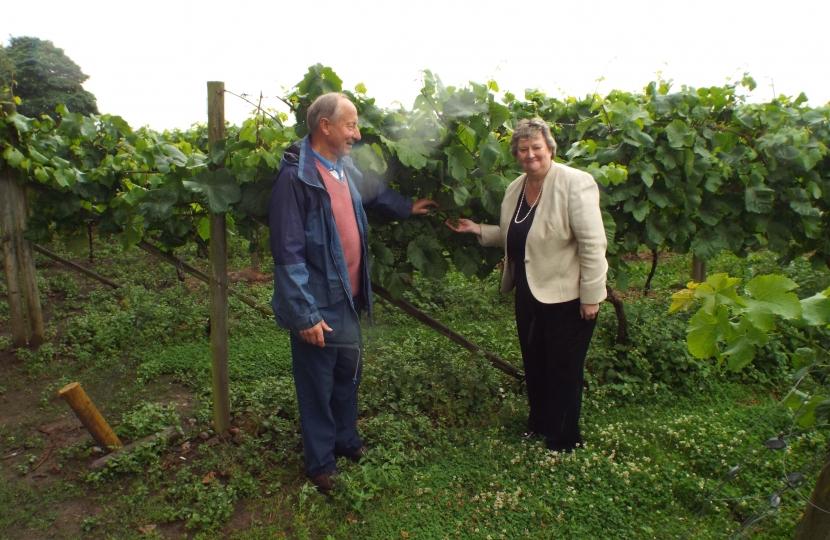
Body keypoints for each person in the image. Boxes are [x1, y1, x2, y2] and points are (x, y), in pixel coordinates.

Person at [268, 92, 437, 492]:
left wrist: (407, 206)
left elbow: (375, 194)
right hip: (319, 302)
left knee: (348, 375)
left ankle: (346, 441)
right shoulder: (296, 178)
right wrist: (303, 314)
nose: (356, 134)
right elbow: (287, 252)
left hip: (350, 297)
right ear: (324, 125)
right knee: (317, 386)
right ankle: (321, 463)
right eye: (350, 125)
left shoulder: (344, 168)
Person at [446, 118, 607, 453]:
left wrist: (592, 296)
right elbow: (516, 233)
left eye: (536, 147)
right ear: (516, 154)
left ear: (550, 148)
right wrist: (478, 229)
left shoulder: (575, 183)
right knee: (535, 360)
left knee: (563, 367)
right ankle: (539, 424)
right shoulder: (516, 188)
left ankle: (563, 439)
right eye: (523, 149)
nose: (530, 154)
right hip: (528, 290)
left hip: (568, 295)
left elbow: (593, 244)